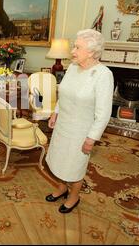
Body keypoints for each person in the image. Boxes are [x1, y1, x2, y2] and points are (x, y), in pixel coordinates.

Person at [44, 29, 114, 213]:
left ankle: (74, 196)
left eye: (77, 47)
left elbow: (104, 112)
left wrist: (92, 138)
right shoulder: (73, 68)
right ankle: (62, 188)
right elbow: (64, 93)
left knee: (75, 165)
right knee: (58, 159)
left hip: (81, 131)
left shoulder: (103, 75)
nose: (72, 51)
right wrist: (55, 113)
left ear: (91, 52)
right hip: (63, 125)